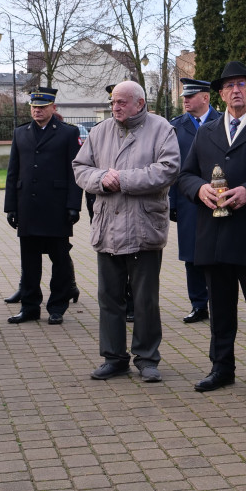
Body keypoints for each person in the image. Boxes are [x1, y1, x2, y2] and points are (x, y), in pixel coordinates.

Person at [178, 62, 246, 398]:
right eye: (229, 86)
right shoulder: (206, 131)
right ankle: (221, 367)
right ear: (221, 93)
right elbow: (185, 176)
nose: (235, 91)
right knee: (221, 308)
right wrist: (199, 190)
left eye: (241, 84)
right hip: (213, 235)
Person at [73, 80, 179, 383]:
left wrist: (125, 180)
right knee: (109, 298)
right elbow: (80, 168)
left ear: (139, 104)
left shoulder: (161, 129)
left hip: (144, 227)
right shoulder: (99, 131)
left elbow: (169, 169)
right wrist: (101, 178)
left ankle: (147, 358)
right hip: (108, 227)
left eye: (121, 102)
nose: (115, 107)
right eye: (112, 102)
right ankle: (114, 357)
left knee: (145, 299)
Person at [4, 87, 83, 326]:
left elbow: (74, 171)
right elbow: (12, 172)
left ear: (53, 108)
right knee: (29, 263)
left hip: (56, 207)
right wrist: (11, 207)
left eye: (42, 107)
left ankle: (57, 306)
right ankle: (29, 307)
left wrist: (73, 205)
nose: (37, 111)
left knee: (59, 261)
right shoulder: (20, 133)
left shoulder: (68, 133)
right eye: (34, 107)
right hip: (28, 206)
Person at [169, 77, 222, 324]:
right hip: (187, 198)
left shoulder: (223, 122)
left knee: (217, 253)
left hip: (219, 197)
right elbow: (171, 168)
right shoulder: (176, 126)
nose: (186, 100)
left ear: (206, 98)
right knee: (191, 255)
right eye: (184, 97)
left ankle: (220, 302)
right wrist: (172, 202)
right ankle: (198, 304)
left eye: (190, 96)